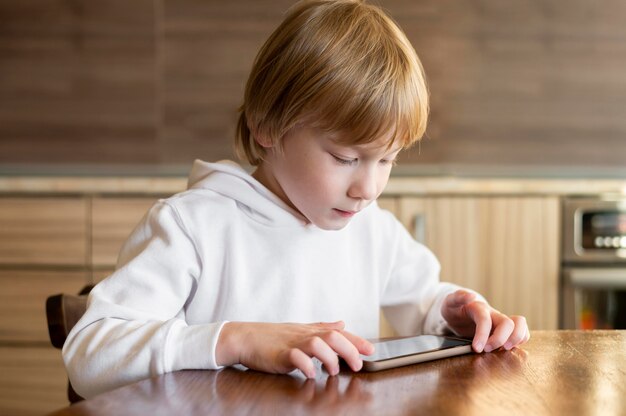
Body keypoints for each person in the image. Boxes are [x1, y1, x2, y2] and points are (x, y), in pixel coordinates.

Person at [63, 0, 530, 398]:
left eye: (387, 160)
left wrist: (455, 312)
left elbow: (423, 300)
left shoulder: (370, 227)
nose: (368, 189)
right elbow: (89, 356)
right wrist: (233, 340)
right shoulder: (193, 227)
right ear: (267, 126)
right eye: (345, 157)